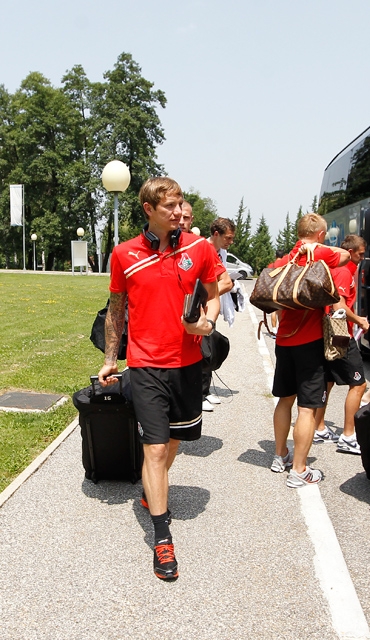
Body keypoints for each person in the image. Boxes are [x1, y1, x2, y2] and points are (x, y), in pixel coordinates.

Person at [98, 177, 224, 581]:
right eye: (169, 205)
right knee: (153, 451)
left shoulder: (198, 247)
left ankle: (152, 490)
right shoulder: (123, 254)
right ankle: (163, 536)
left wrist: (208, 324)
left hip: (187, 367)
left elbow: (215, 291)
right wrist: (110, 358)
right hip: (146, 366)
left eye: (180, 204)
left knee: (173, 443)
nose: (178, 211)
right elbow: (116, 310)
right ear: (149, 209)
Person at [270, 213, 350, 487]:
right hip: (310, 342)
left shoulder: (285, 259)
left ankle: (280, 455)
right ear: (319, 235)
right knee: (307, 408)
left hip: (284, 340)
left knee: (284, 399)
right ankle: (300, 469)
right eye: (324, 235)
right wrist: (318, 248)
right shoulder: (321, 255)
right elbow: (346, 255)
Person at [313, 235, 369, 454]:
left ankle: (319, 428)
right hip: (339, 332)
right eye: (360, 254)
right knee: (359, 384)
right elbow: (340, 305)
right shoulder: (345, 271)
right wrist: (360, 320)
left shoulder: (333, 268)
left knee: (328, 381)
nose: (362, 258)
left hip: (324, 331)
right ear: (350, 252)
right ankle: (348, 435)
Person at [202, 218, 236, 411]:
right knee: (202, 351)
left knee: (209, 348)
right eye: (228, 238)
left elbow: (224, 281)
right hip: (201, 308)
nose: (230, 242)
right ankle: (199, 394)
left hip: (212, 306)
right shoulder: (202, 248)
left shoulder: (221, 252)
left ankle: (205, 391)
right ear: (216, 234)